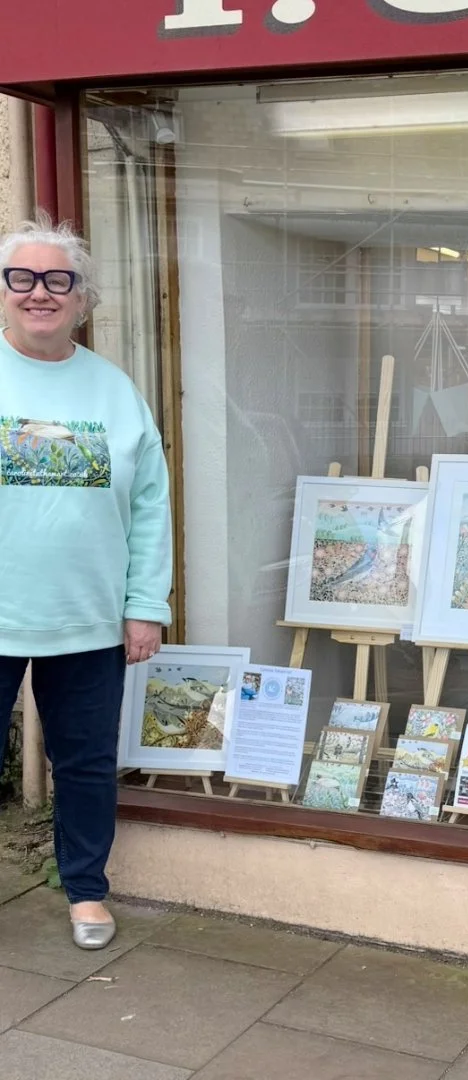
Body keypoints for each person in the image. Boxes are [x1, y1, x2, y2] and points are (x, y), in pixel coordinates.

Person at [0, 214, 173, 950]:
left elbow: (150, 506)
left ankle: (86, 890)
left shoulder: (113, 390)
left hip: (89, 618)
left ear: (81, 298)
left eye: (58, 280)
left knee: (87, 763)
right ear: (3, 291)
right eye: (23, 278)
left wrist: (145, 607)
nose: (40, 292)